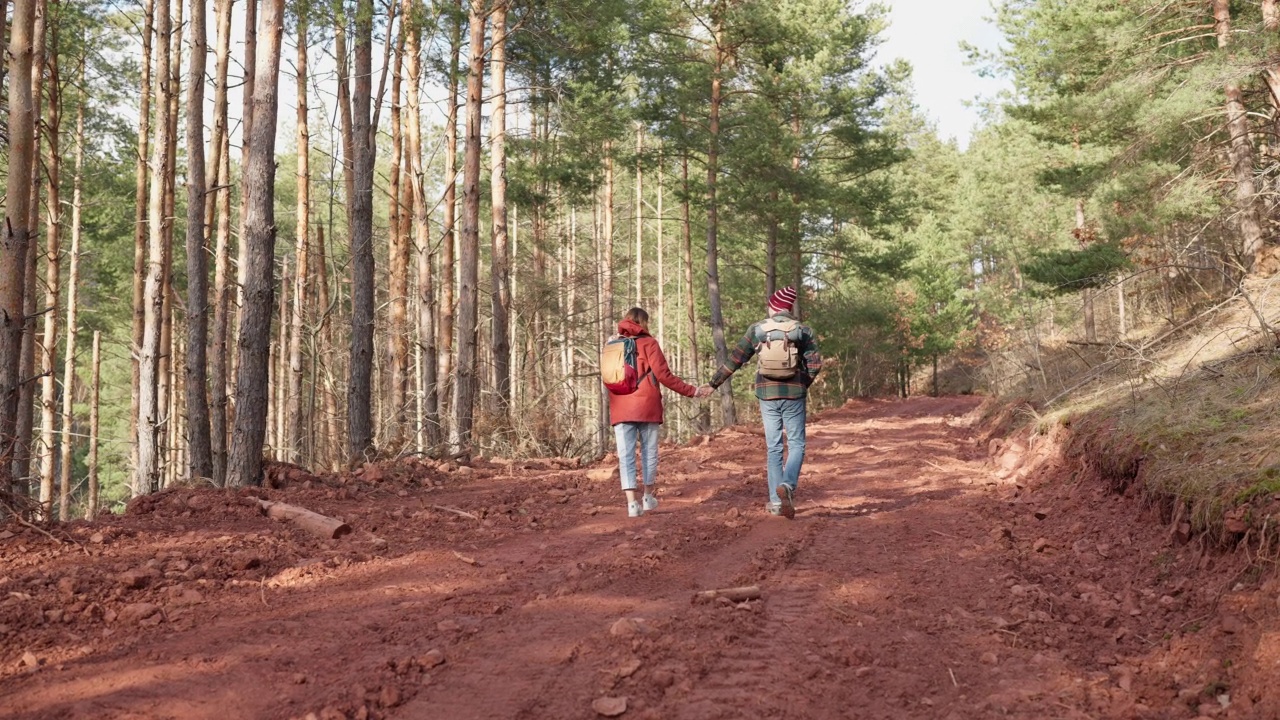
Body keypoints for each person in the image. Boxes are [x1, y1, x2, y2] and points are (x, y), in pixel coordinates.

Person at [700, 286, 822, 518]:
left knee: (774, 447)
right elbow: (815, 364)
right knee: (796, 444)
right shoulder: (803, 330)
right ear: (789, 308)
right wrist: (801, 383)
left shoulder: (757, 330)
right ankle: (787, 485)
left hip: (767, 395)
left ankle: (776, 502)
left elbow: (735, 359)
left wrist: (713, 383)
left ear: (774, 306)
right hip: (794, 394)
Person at [607, 307, 712, 517]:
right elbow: (665, 376)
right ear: (644, 322)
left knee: (626, 455)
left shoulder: (612, 344)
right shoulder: (650, 343)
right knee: (649, 452)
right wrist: (693, 391)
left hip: (620, 406)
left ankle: (631, 505)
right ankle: (647, 497)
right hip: (647, 405)